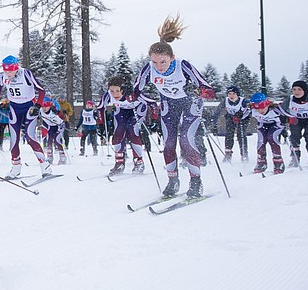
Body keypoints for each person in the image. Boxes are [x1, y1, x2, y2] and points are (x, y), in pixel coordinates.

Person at [132, 15, 215, 198]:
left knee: (186, 140)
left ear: (172, 58)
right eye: (155, 62)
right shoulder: (148, 69)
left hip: (190, 104)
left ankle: (195, 182)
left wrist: (195, 89)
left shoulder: (182, 65)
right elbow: (135, 91)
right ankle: (173, 180)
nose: (159, 66)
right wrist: (144, 98)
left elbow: (207, 89)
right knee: (169, 144)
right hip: (169, 105)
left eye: (163, 62)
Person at [0, 55, 49, 177]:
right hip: (14, 108)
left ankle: (45, 166)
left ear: (16, 67)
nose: (8, 73)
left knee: (30, 138)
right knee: (14, 140)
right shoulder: (3, 76)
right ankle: (16, 167)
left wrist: (38, 106)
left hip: (29, 107)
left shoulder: (26, 74)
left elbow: (41, 90)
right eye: (6, 70)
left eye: (11, 70)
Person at [99, 77, 147, 175]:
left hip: (136, 110)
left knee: (133, 131)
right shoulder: (108, 95)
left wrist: (154, 118)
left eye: (117, 91)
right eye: (112, 91)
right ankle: (119, 162)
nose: (115, 94)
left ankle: (139, 162)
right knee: (118, 134)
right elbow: (100, 108)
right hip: (121, 111)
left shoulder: (132, 93)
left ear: (123, 89)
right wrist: (101, 124)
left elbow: (151, 101)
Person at [247, 92, 290, 174]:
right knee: (261, 141)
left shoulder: (276, 109)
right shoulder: (252, 110)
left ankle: (278, 163)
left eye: (262, 108)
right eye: (257, 109)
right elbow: (242, 115)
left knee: (271, 137)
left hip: (276, 125)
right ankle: (261, 163)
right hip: (262, 125)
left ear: (267, 104)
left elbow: (288, 116)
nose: (260, 111)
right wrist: (238, 116)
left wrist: (288, 120)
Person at [211, 86, 250, 162]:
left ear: (237, 94)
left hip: (243, 118)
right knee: (229, 134)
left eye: (233, 94)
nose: (231, 96)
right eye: (229, 94)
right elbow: (217, 112)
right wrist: (214, 124)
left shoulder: (244, 101)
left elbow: (251, 108)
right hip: (231, 117)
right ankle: (228, 154)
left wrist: (242, 113)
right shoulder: (225, 101)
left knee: (241, 135)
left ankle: (244, 154)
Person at [37, 98, 68, 168]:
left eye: (46, 107)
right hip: (51, 126)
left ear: (49, 107)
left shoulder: (54, 111)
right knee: (49, 141)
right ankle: (50, 157)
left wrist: (61, 114)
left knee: (57, 140)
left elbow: (63, 118)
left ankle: (62, 156)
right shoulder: (41, 111)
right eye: (43, 107)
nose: (44, 109)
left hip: (59, 126)